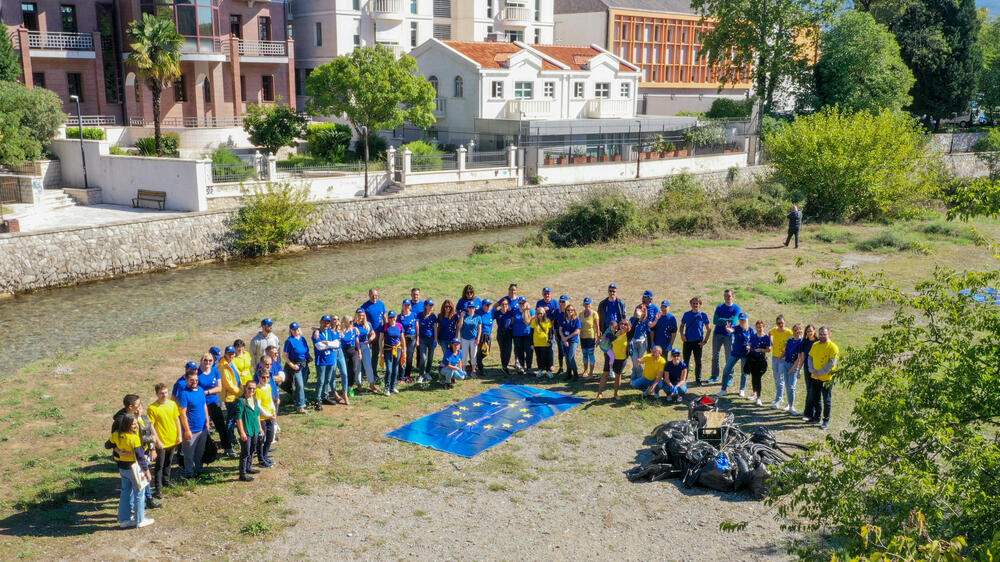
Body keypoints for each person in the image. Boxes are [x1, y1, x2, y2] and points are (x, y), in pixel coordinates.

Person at [110, 413, 154, 529]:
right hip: (134, 469)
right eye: (133, 424)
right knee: (139, 494)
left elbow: (107, 445)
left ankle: (124, 520)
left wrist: (118, 451)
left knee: (125, 493)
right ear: (127, 425)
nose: (136, 425)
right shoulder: (134, 439)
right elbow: (140, 458)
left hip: (122, 469)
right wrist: (147, 472)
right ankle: (140, 519)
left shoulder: (116, 435)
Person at [147, 383, 181, 501]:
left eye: (166, 392)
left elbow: (177, 419)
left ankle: (166, 481)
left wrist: (179, 435)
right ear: (156, 394)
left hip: (172, 439)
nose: (164, 395)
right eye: (161, 393)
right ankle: (158, 488)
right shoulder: (152, 408)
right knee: (159, 466)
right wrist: (157, 440)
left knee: (169, 462)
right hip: (161, 442)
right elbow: (151, 426)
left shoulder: (172, 404)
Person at [196, 352, 233, 458]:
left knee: (220, 425)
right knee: (203, 426)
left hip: (213, 401)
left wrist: (206, 392)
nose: (208, 362)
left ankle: (227, 448)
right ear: (201, 360)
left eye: (210, 360)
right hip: (201, 403)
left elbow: (219, 388)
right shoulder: (197, 372)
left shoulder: (215, 370)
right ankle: (204, 449)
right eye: (205, 360)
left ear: (213, 361)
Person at [177, 363, 209, 479]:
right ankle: (189, 474)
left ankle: (199, 470)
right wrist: (187, 430)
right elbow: (182, 413)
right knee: (189, 455)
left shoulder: (200, 390)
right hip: (191, 430)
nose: (194, 381)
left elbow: (205, 406)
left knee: (199, 453)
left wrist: (207, 422)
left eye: (196, 379)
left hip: (203, 428)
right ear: (186, 380)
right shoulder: (184, 393)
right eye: (192, 380)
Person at [805, 327, 839, 430]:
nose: (822, 336)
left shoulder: (833, 347)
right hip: (815, 377)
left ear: (829, 334)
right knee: (816, 399)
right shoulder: (815, 345)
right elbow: (810, 357)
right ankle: (817, 418)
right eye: (820, 334)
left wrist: (820, 372)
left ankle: (826, 421)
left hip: (827, 379)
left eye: (824, 334)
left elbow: (832, 363)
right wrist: (811, 369)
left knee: (826, 400)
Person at [710, 289, 741, 384]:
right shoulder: (719, 307)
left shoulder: (736, 308)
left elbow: (734, 322)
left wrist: (721, 320)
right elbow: (715, 321)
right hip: (718, 334)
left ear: (733, 297)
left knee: (729, 357)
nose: (727, 298)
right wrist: (727, 320)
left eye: (729, 296)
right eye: (725, 296)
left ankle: (729, 378)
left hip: (729, 335)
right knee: (715, 356)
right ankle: (714, 376)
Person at [235, 380, 263, 482]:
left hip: (255, 429)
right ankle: (242, 473)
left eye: (254, 388)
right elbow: (238, 418)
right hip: (246, 430)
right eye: (249, 388)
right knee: (245, 452)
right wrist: (242, 432)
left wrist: (260, 428)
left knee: (252, 449)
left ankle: (248, 467)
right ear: (245, 388)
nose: (251, 390)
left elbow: (257, 415)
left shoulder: (255, 400)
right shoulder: (241, 401)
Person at [680, 297, 712, 385]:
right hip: (687, 341)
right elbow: (682, 326)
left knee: (698, 362)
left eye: (697, 303)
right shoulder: (686, 314)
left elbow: (709, 329)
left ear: (700, 305)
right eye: (693, 303)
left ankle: (698, 379)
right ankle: (684, 379)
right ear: (691, 304)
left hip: (698, 342)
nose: (695, 305)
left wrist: (704, 341)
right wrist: (682, 335)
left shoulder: (703, 315)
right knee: (685, 361)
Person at [717, 313, 751, 397]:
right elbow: (732, 330)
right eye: (740, 319)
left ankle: (742, 389)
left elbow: (753, 340)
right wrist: (728, 329)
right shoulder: (737, 328)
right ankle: (723, 389)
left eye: (743, 319)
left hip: (745, 354)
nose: (742, 321)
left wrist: (750, 346)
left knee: (744, 372)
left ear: (746, 320)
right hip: (735, 353)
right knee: (726, 370)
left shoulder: (750, 330)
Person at [596, 319, 630, 400]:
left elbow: (635, 325)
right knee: (605, 375)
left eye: (625, 324)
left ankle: (615, 394)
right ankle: (599, 393)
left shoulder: (629, 335)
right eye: (621, 323)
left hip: (621, 359)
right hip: (610, 356)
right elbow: (607, 337)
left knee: (618, 376)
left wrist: (638, 317)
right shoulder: (615, 332)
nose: (623, 325)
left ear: (628, 326)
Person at [598, 284, 627, 378]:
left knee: (617, 350)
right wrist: (600, 332)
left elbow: (624, 317)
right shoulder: (603, 304)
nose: (612, 293)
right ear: (608, 291)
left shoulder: (620, 303)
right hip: (606, 331)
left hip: (618, 331)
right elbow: (599, 319)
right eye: (610, 291)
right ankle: (608, 370)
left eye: (613, 291)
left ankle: (616, 370)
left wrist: (622, 329)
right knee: (607, 350)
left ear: (616, 292)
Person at [283, 322, 312, 414]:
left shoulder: (303, 339)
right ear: (291, 331)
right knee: (299, 385)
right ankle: (301, 406)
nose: (296, 331)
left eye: (297, 329)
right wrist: (292, 365)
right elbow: (285, 356)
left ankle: (298, 402)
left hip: (303, 364)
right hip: (295, 365)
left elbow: (306, 351)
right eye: (294, 330)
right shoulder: (289, 341)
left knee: (302, 384)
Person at [360, 288, 387, 380]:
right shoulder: (365, 306)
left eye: (376, 295)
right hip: (368, 334)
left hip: (379, 334)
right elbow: (361, 318)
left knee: (375, 354)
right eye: (373, 295)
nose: (375, 297)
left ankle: (374, 373)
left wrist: (386, 329)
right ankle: (363, 374)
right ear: (369, 295)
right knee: (365, 354)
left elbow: (384, 317)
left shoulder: (381, 304)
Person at [312, 315, 338, 409]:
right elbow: (319, 346)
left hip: (330, 359)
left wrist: (326, 343)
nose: (326, 324)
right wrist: (331, 344)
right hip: (321, 361)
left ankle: (325, 396)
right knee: (321, 381)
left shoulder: (331, 332)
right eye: (324, 322)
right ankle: (317, 399)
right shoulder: (316, 333)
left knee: (328, 380)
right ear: (320, 322)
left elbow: (337, 344)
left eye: (328, 322)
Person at [769, 315, 795, 409]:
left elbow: (795, 341)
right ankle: (780, 396)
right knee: (776, 377)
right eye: (778, 323)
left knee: (780, 378)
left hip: (783, 358)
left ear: (785, 323)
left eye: (782, 323)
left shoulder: (789, 332)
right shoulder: (774, 330)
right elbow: (770, 334)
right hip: (775, 357)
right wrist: (770, 342)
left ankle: (778, 399)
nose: (780, 324)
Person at [254, 366, 277, 467]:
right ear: (259, 377)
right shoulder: (257, 389)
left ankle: (265, 455)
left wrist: (273, 411)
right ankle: (261, 460)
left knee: (270, 437)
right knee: (261, 439)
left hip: (270, 416)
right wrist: (268, 414)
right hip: (262, 418)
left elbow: (271, 400)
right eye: (263, 377)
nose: (266, 379)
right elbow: (258, 406)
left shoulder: (268, 387)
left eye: (268, 377)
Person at [746, 320, 773, 405]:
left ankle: (758, 398)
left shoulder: (766, 338)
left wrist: (761, 350)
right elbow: (749, 344)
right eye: (757, 327)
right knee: (754, 377)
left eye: (761, 327)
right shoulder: (753, 336)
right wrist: (748, 347)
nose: (759, 329)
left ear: (764, 327)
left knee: (758, 378)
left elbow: (769, 349)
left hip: (761, 361)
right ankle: (754, 393)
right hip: (752, 360)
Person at [781, 324, 804, 416]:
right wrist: (780, 357)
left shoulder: (801, 342)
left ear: (801, 331)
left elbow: (799, 358)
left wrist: (793, 369)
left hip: (794, 365)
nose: (796, 332)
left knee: (791, 386)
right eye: (794, 330)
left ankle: (792, 406)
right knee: (787, 385)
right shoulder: (790, 340)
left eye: (798, 330)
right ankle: (789, 403)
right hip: (786, 363)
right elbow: (786, 351)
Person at [352, 309, 377, 394]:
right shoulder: (354, 325)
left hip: (365, 345)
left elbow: (373, 333)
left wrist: (369, 340)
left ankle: (372, 384)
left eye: (362, 315)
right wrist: (359, 351)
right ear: (356, 315)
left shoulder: (368, 324)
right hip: (356, 346)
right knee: (358, 366)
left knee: (368, 365)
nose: (361, 317)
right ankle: (359, 385)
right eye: (359, 315)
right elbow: (356, 338)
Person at [382, 310, 406, 395]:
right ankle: (387, 387)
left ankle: (393, 386)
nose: (392, 319)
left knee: (396, 368)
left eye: (393, 317)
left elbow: (402, 338)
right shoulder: (385, 326)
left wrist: (404, 350)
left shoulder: (399, 326)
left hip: (398, 349)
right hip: (388, 349)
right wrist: (381, 352)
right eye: (390, 317)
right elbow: (381, 339)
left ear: (396, 317)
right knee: (389, 369)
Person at [799, 325, 819, 422]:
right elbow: (802, 357)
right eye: (807, 331)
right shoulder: (805, 342)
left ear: (814, 331)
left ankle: (809, 413)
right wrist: (799, 370)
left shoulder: (819, 341)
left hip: (817, 370)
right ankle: (811, 413)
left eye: (810, 331)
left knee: (813, 391)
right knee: (809, 391)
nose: (809, 333)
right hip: (807, 369)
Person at [416, 299, 438, 383]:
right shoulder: (420, 315)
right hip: (422, 339)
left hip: (431, 339)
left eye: (432, 305)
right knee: (423, 357)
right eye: (430, 305)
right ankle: (421, 374)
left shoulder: (433, 316)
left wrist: (435, 339)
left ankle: (428, 372)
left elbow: (435, 328)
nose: (432, 306)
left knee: (430, 357)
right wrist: (418, 338)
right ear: (426, 306)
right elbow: (417, 327)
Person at [458, 302, 482, 378]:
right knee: (464, 355)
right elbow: (459, 326)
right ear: (467, 308)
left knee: (473, 355)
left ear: (475, 308)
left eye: (472, 307)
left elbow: (479, 329)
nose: (471, 309)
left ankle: (473, 370)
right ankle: (464, 370)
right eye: (470, 307)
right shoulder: (464, 316)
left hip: (474, 339)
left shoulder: (478, 317)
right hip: (464, 338)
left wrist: (478, 338)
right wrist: (461, 317)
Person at [560, 304, 582, 380]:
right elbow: (560, 330)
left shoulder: (577, 320)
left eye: (571, 310)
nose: (570, 312)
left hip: (573, 340)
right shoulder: (563, 319)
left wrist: (567, 338)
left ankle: (576, 374)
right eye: (568, 310)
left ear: (574, 311)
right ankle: (569, 373)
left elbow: (577, 331)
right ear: (566, 311)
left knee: (571, 357)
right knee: (566, 357)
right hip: (565, 340)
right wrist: (564, 338)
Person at [579, 297, 600, 378]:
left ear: (591, 304)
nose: (587, 305)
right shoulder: (581, 314)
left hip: (591, 337)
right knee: (584, 354)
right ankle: (585, 370)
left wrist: (598, 337)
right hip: (582, 337)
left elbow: (597, 326)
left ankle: (591, 372)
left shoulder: (594, 314)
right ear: (583, 304)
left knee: (590, 354)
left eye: (588, 303)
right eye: (586, 303)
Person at [512, 297, 534, 374]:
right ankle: (522, 366)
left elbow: (535, 319)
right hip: (517, 335)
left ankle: (529, 367)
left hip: (527, 335)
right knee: (519, 351)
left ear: (526, 303)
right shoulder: (515, 311)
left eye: (523, 303)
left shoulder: (530, 311)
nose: (521, 304)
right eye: (520, 303)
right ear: (518, 303)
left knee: (529, 351)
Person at [531, 306, 554, 378]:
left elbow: (550, 332)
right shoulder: (534, 321)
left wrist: (549, 341)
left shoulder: (548, 321)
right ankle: (540, 370)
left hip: (545, 343)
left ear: (544, 313)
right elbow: (531, 333)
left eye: (540, 313)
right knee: (539, 357)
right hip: (537, 343)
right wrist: (532, 343)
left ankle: (548, 371)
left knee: (547, 357)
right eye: (537, 313)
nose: (539, 315)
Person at [399, 300, 419, 382]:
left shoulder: (414, 315)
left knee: (410, 357)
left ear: (410, 306)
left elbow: (417, 327)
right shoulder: (399, 317)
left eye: (408, 305)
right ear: (402, 306)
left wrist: (417, 339)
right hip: (403, 339)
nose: (407, 307)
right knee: (402, 356)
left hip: (412, 338)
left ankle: (408, 375)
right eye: (405, 305)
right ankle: (401, 376)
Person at [340, 316, 361, 394]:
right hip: (344, 351)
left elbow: (357, 341)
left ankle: (351, 387)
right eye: (350, 322)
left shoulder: (354, 330)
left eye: (353, 321)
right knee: (345, 371)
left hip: (353, 350)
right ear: (346, 322)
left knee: (353, 369)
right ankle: (345, 388)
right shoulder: (341, 331)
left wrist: (359, 352)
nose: (352, 323)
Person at [494, 298, 515, 374]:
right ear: (500, 305)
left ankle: (505, 365)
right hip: (500, 334)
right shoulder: (497, 313)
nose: (504, 306)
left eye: (506, 304)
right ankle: (504, 366)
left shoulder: (511, 312)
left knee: (508, 350)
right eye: (503, 304)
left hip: (509, 334)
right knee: (502, 350)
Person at [629, 304, 650, 379]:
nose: (639, 311)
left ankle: (633, 377)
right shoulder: (632, 319)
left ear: (644, 312)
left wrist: (656, 319)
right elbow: (629, 330)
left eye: (641, 310)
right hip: (633, 343)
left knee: (638, 361)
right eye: (638, 309)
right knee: (635, 361)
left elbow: (651, 325)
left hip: (642, 343)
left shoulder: (645, 321)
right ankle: (641, 377)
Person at [477, 299, 495, 375]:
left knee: (486, 352)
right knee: (480, 352)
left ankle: (475, 360)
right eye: (487, 305)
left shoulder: (492, 312)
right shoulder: (478, 312)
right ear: (483, 305)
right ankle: (481, 368)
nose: (488, 307)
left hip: (488, 335)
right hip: (481, 334)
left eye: (489, 305)